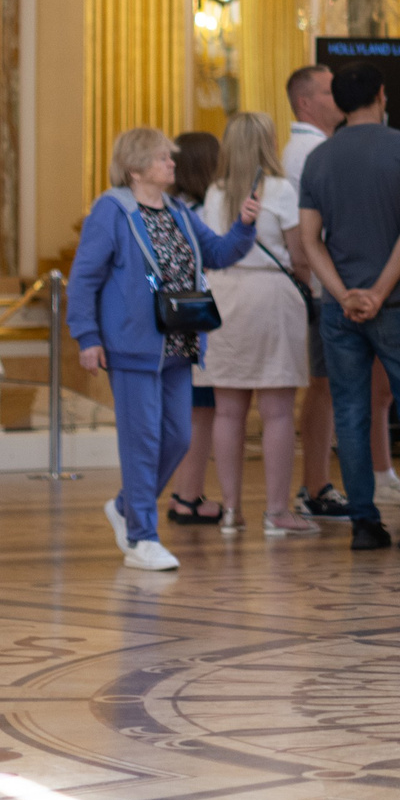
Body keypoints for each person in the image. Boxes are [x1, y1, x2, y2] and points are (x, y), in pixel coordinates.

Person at [68, 126, 259, 571]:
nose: (172, 164)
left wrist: (244, 226)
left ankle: (125, 507)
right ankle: (141, 537)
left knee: (178, 436)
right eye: (161, 158)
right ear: (135, 169)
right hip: (133, 343)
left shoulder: (177, 210)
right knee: (143, 440)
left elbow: (217, 251)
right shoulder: (112, 210)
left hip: (180, 340)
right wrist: (87, 337)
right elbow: (84, 278)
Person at [295, 61, 400, 552]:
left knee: (348, 411)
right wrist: (380, 291)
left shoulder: (320, 159)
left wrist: (344, 293)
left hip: (339, 309)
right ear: (382, 96)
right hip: (399, 303)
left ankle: (364, 524)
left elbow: (310, 240)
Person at [202, 112, 318, 536]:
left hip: (224, 295)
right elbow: (299, 254)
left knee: (228, 411)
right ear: (268, 143)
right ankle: (276, 511)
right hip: (271, 297)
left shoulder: (215, 193)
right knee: (277, 411)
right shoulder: (282, 190)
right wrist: (308, 290)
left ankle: (231, 509)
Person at [283, 64, 347, 518]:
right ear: (305, 102)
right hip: (325, 290)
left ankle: (317, 483)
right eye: (328, 91)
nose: (337, 96)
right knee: (322, 389)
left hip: (324, 289)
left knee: (325, 388)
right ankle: (316, 485)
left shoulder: (315, 149)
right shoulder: (311, 153)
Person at [166, 131, 228, 527]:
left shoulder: (170, 207)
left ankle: (185, 492)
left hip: (173, 318)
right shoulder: (203, 211)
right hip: (198, 317)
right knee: (201, 412)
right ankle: (187, 497)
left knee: (191, 410)